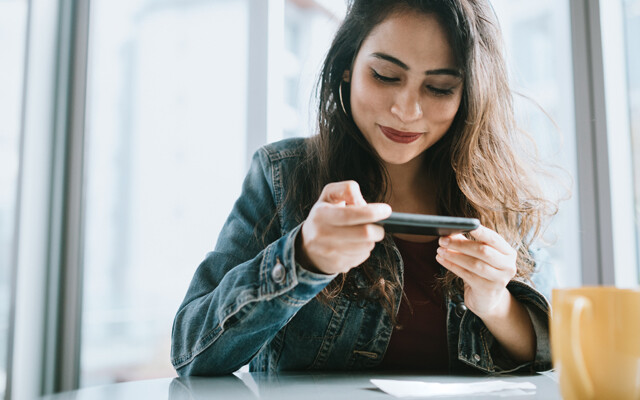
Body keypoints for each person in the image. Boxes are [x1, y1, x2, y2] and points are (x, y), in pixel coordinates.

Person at [171, 0, 557, 376]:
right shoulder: (282, 176)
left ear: (469, 94)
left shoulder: (500, 193)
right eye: (385, 76)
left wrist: (495, 303)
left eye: (439, 87)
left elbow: (550, 350)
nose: (407, 110)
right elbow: (192, 353)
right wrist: (303, 257)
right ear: (346, 67)